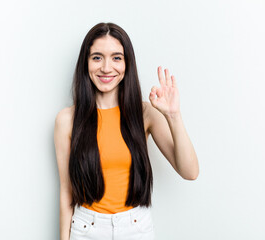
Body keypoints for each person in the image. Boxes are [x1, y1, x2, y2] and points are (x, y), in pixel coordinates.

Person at [54, 22, 199, 240]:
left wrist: (173, 116)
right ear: (86, 63)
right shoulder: (67, 120)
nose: (106, 67)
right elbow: (67, 192)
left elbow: (190, 172)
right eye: (97, 57)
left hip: (136, 229)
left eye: (116, 57)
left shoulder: (144, 113)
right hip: (86, 229)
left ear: (126, 64)